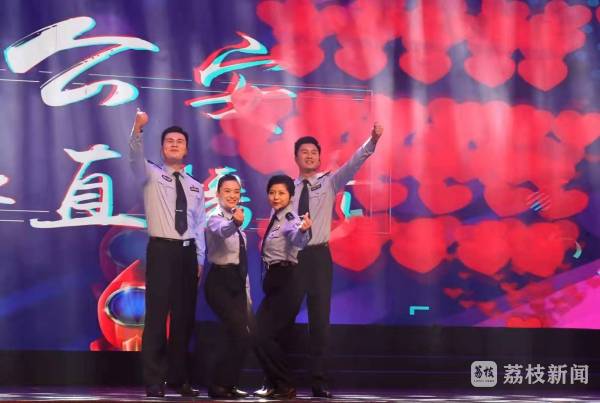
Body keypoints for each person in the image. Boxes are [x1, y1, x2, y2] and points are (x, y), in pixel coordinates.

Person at [258, 123, 384, 398]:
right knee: (281, 322)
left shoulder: (329, 182)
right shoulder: (286, 189)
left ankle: (319, 381)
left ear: (319, 157)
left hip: (318, 256)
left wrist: (372, 141)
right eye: (304, 152)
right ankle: (276, 380)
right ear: (296, 157)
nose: (309, 156)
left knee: (319, 322)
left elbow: (353, 164)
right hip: (291, 258)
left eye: (314, 152)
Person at [129, 109, 205, 398]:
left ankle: (179, 378)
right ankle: (154, 380)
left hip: (187, 254)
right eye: (169, 141)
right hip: (161, 250)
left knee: (184, 318)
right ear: (162, 148)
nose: (174, 144)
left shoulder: (195, 186)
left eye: (179, 141)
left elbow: (199, 225)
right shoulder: (150, 173)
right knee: (157, 316)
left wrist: (199, 259)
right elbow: (134, 156)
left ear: (186, 149)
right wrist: (138, 129)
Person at [254, 175, 312, 399]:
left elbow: (297, 239)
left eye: (281, 193)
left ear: (291, 196)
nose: (276, 197)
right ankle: (273, 384)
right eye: (272, 193)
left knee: (263, 335)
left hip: (287, 280)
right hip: (275, 279)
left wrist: (303, 231)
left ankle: (284, 384)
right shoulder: (275, 214)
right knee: (263, 335)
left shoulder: (290, 219)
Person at [204, 174, 252, 399]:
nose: (232, 195)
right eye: (227, 191)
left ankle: (229, 384)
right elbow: (223, 231)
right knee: (235, 331)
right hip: (219, 280)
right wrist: (234, 223)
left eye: (236, 192)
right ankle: (217, 385)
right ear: (217, 194)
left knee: (241, 335)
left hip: (237, 281)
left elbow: (242, 262)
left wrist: (247, 295)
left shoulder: (238, 225)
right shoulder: (214, 218)